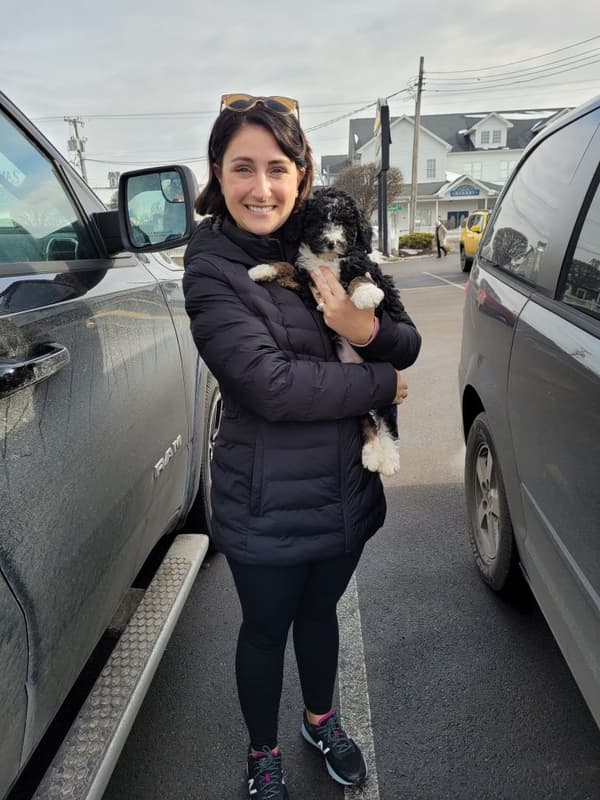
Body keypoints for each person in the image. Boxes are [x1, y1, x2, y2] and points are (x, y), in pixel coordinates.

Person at [182, 93, 422, 800]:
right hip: (266, 499)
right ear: (218, 174)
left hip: (343, 488)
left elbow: (406, 339)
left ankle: (321, 721)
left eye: (277, 168)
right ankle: (263, 752)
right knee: (264, 630)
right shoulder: (211, 267)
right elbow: (272, 386)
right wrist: (379, 383)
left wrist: (363, 329)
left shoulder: (324, 237)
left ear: (302, 175)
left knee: (320, 617)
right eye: (243, 168)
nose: (261, 188)